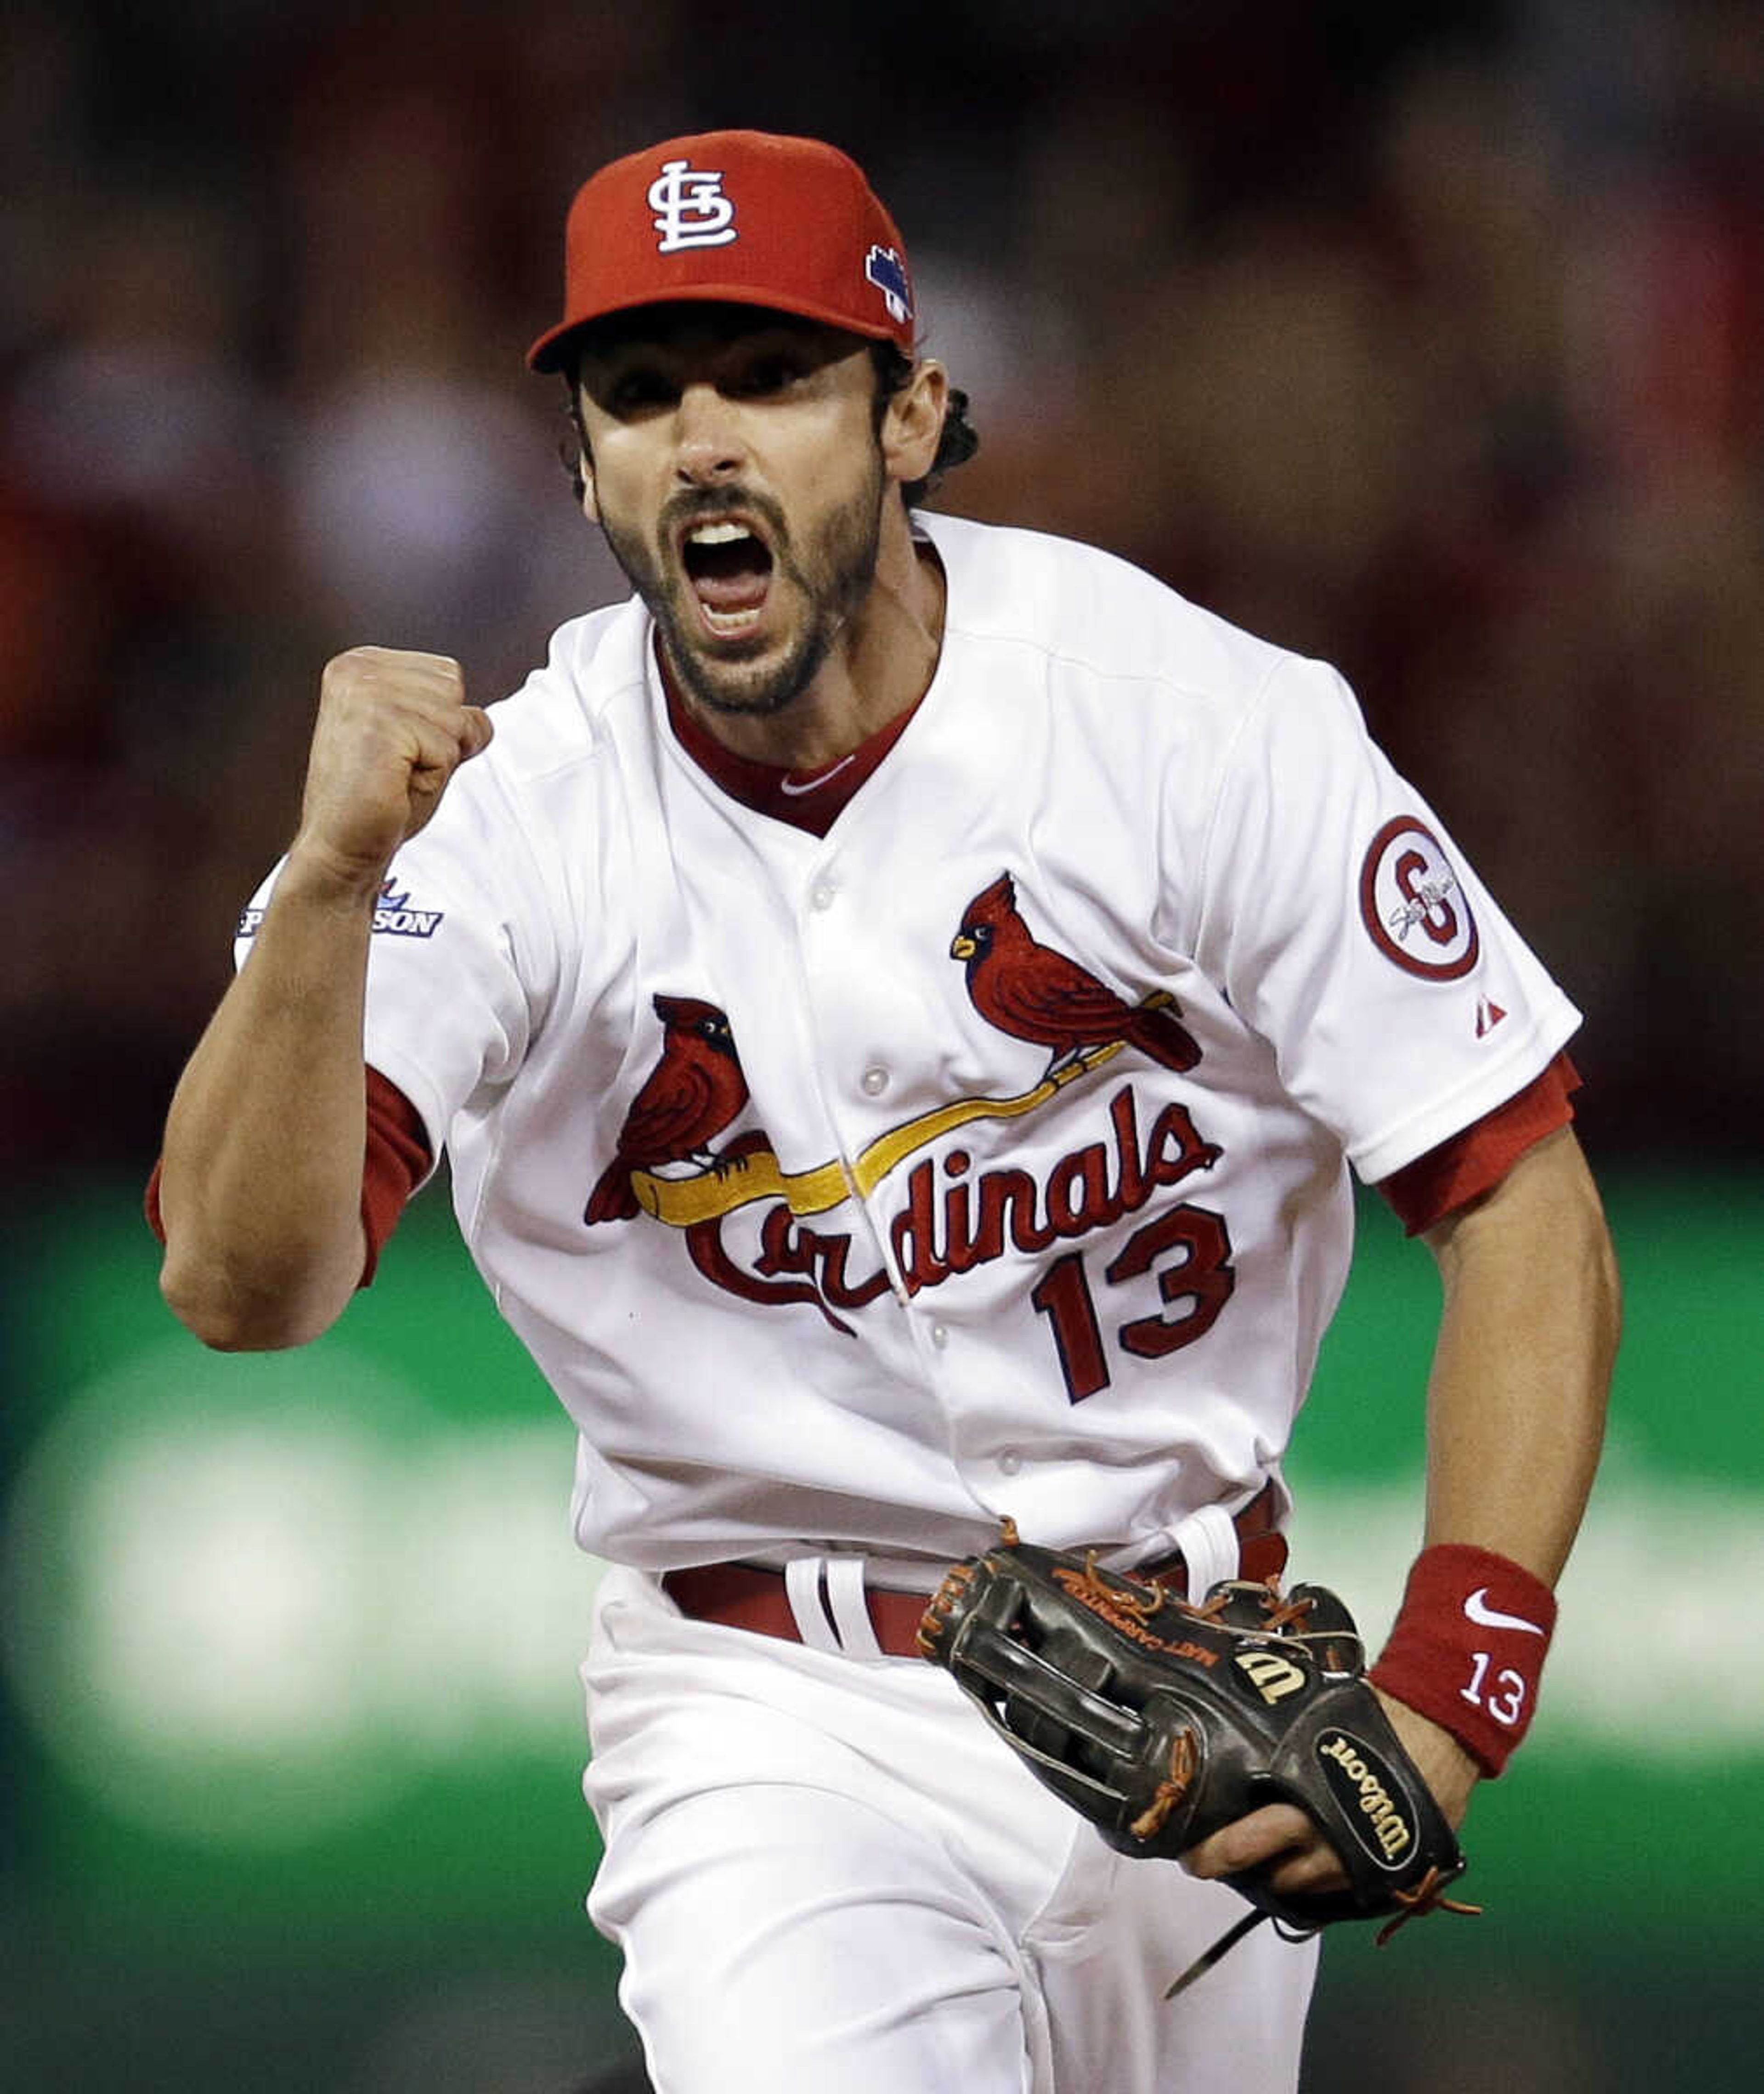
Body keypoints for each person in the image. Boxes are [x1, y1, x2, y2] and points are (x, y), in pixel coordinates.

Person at [152, 130, 1620, 2094]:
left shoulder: (1187, 726)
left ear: (913, 412)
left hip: (1196, 1696)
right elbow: (245, 1285)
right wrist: (325, 889)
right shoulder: (500, 818)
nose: (702, 440)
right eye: (641, 392)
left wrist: (1454, 1695)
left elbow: (1521, 1193)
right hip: (771, 1716)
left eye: (770, 375)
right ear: (582, 466)